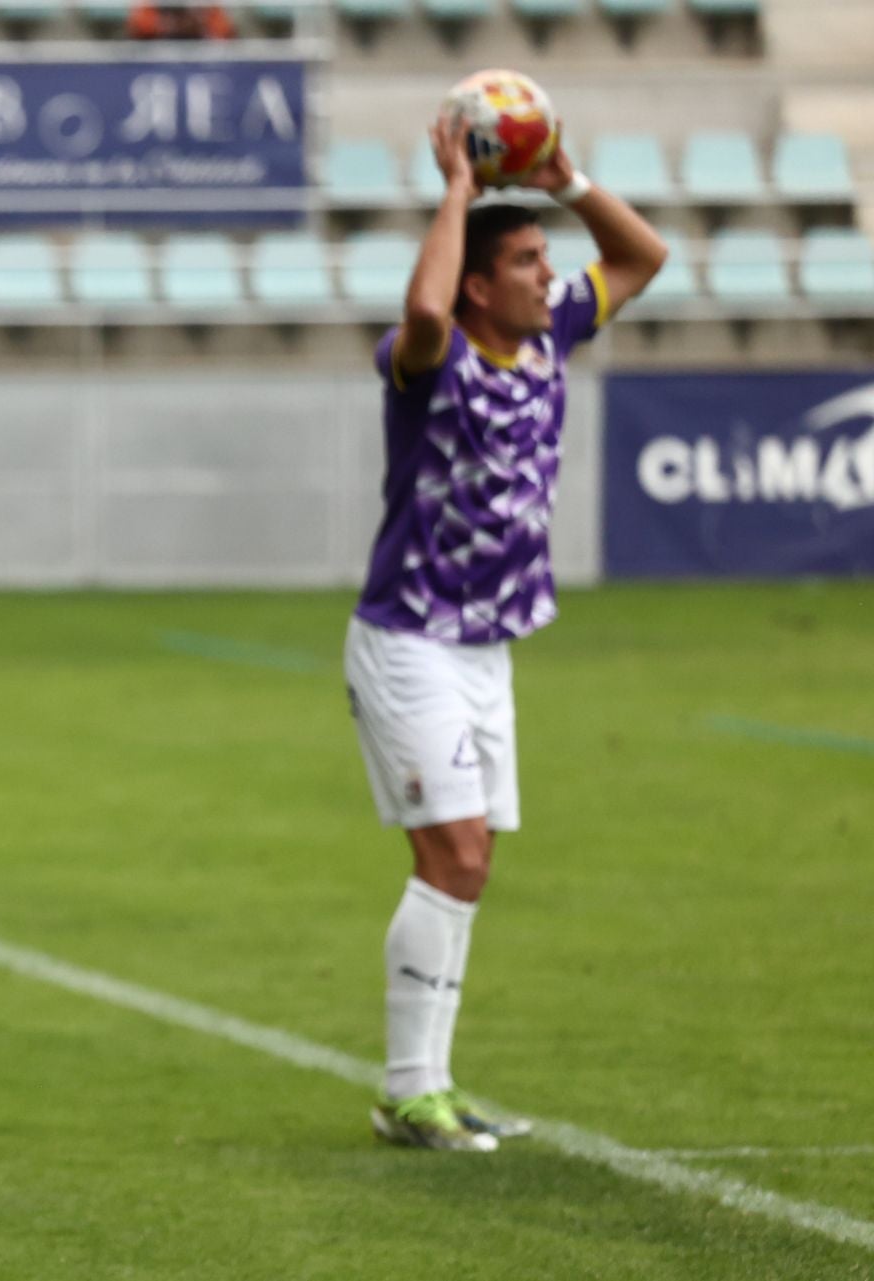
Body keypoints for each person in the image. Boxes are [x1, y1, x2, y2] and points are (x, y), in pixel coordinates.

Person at [346, 118, 667, 1151]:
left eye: (544, 259)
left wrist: (564, 176)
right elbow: (425, 307)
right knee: (458, 852)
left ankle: (426, 1088)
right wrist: (455, 191)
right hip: (411, 639)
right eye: (526, 261)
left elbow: (641, 255)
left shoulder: (555, 332)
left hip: (488, 649)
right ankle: (410, 1091)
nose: (548, 274)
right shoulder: (430, 361)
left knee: (469, 867)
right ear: (484, 285)